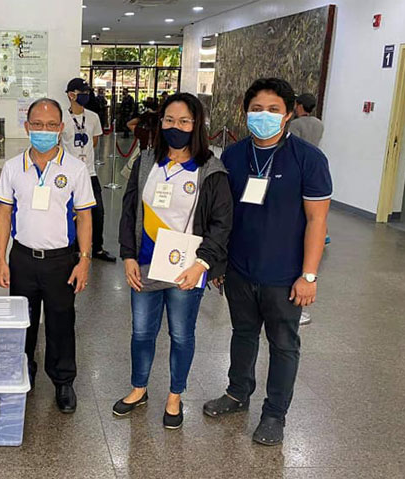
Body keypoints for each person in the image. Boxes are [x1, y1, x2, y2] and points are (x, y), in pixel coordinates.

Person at [203, 78, 331, 446]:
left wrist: (309, 275)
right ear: (246, 113)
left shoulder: (308, 159)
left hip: (285, 274)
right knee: (242, 334)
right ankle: (237, 393)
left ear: (288, 114)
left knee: (283, 344)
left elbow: (317, 221)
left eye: (273, 110)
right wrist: (220, 264)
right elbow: (223, 216)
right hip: (240, 269)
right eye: (256, 109)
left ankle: (275, 413)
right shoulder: (234, 155)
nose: (264, 116)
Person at [115, 93, 232, 429]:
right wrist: (127, 256)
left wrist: (202, 264)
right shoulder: (147, 161)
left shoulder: (210, 169)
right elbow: (128, 210)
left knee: (181, 335)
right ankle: (139, 389)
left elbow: (222, 224)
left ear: (196, 125)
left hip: (186, 269)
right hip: (146, 265)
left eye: (184, 121)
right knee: (141, 333)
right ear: (161, 122)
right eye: (169, 120)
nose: (175, 127)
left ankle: (174, 396)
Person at [0, 98, 94, 414]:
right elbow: (3, 214)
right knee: (21, 323)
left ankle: (63, 381)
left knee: (61, 322)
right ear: (27, 127)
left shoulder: (75, 169)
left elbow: (85, 218)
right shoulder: (13, 168)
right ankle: (23, 372)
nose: (44, 130)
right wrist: (1, 258)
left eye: (51, 125)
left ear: (61, 128)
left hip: (61, 261)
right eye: (37, 124)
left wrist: (85, 260)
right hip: (22, 258)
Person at [60, 78, 115, 263]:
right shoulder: (62, 118)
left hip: (89, 173)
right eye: (82, 92)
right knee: (72, 212)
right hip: (68, 174)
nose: (86, 95)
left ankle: (97, 248)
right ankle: (75, 249)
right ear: (71, 95)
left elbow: (95, 140)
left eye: (87, 92)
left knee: (97, 211)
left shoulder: (92, 117)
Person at [289, 92, 330, 261]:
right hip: (314, 165)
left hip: (298, 166)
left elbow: (292, 147)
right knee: (316, 208)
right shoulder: (319, 124)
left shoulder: (295, 125)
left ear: (299, 106)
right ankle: (323, 234)